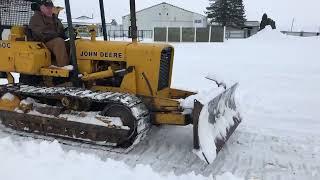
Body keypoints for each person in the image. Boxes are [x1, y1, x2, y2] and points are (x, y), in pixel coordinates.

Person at [29, 0, 69, 67]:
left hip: (53, 41)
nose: (50, 10)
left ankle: (77, 67)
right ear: (41, 8)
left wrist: (66, 32)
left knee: (74, 43)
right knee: (59, 42)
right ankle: (64, 67)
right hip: (42, 43)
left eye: (51, 8)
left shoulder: (54, 18)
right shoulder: (36, 18)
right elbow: (41, 34)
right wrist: (57, 35)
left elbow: (60, 31)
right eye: (47, 8)